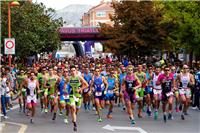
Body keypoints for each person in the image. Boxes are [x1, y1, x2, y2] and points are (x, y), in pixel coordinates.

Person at [68, 65, 88, 131]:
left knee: (77, 109)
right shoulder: (69, 78)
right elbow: (65, 84)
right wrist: (65, 88)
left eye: (74, 70)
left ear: (76, 71)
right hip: (71, 95)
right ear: (70, 72)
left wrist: (80, 89)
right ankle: (75, 124)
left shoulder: (79, 77)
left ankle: (74, 116)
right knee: (73, 108)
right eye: (71, 71)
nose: (73, 72)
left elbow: (86, 85)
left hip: (78, 95)